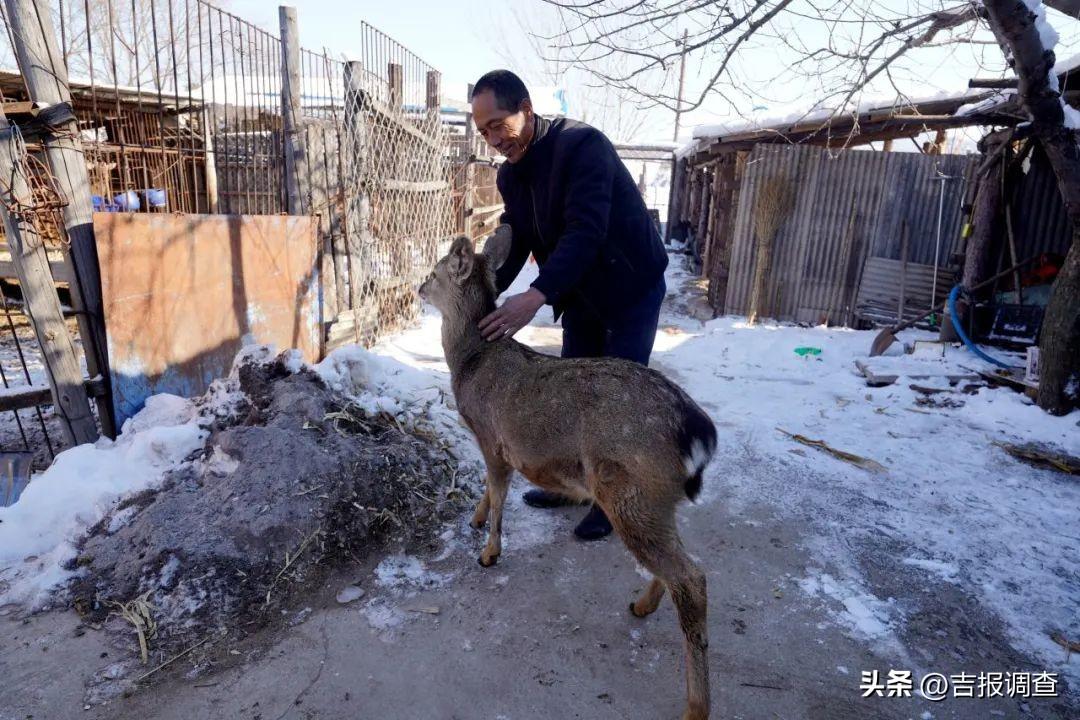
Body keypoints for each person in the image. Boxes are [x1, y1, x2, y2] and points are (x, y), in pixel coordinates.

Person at [468, 69, 669, 541]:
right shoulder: (509, 175)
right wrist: (484, 289)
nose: (494, 139)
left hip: (629, 288)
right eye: (483, 132)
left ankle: (614, 501)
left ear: (527, 110)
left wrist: (537, 295)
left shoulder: (582, 147)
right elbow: (517, 236)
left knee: (615, 405)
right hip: (579, 292)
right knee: (573, 398)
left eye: (499, 124)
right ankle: (570, 486)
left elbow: (586, 231)